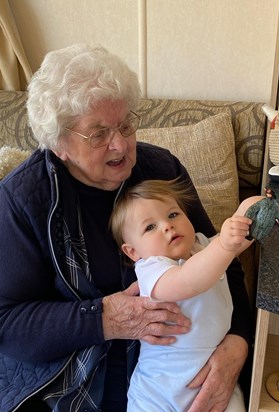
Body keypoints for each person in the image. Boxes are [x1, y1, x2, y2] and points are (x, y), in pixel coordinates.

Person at [0, 43, 252, 412]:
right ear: (60, 144)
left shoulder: (160, 170)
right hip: (72, 376)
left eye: (126, 125)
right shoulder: (23, 199)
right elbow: (8, 324)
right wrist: (102, 319)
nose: (120, 144)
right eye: (98, 134)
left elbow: (219, 255)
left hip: (177, 367)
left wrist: (239, 342)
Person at [110, 178, 255, 411]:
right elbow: (189, 280)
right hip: (160, 389)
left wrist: (250, 209)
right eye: (150, 227)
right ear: (133, 251)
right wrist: (225, 246)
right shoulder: (152, 270)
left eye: (173, 215)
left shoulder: (201, 245)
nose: (167, 226)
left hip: (215, 373)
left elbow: (237, 241)